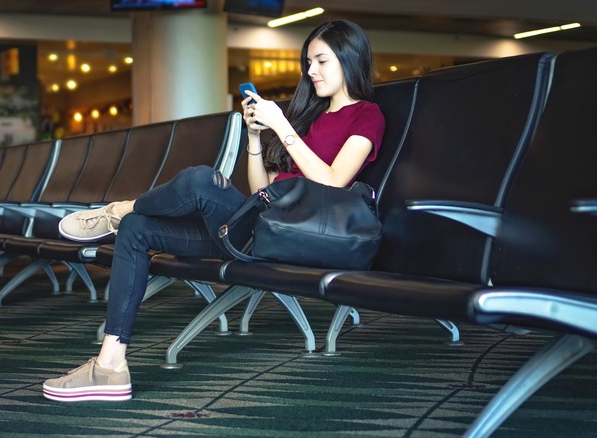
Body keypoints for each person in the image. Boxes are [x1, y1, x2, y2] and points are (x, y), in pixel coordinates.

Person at [43, 19, 385, 402]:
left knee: (202, 181)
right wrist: (255, 138)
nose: (311, 71)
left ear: (350, 58)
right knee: (137, 229)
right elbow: (262, 191)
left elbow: (335, 181)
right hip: (264, 225)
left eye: (321, 61)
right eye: (308, 62)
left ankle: (118, 210)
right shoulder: (308, 115)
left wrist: (282, 125)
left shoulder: (366, 115)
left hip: (300, 237)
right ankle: (110, 365)